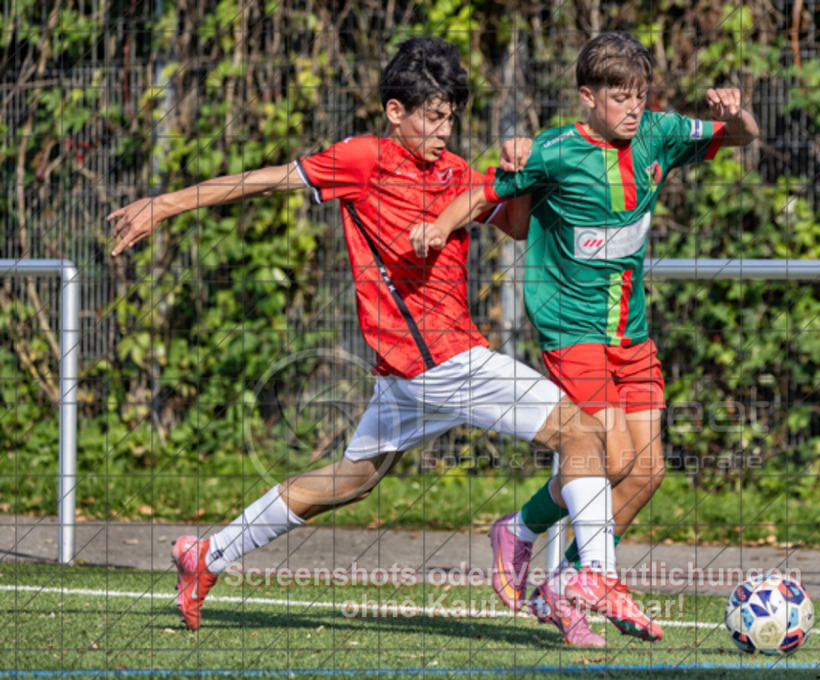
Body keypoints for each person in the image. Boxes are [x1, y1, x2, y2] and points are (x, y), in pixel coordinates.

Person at [107, 36, 657, 644]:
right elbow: (263, 181)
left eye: (450, 116)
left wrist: (517, 170)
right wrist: (164, 204)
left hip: (409, 371)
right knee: (584, 431)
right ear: (396, 112)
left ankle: (204, 556)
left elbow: (519, 224)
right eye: (431, 115)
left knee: (350, 480)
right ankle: (592, 575)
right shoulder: (362, 158)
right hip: (442, 360)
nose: (442, 129)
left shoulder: (453, 172)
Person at [411, 31, 759, 645]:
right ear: (587, 97)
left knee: (647, 470)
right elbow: (482, 193)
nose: (633, 106)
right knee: (609, 457)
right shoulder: (553, 152)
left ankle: (544, 560)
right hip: (570, 328)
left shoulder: (660, 134)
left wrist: (738, 115)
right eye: (621, 95)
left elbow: (740, 138)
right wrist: (436, 228)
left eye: (640, 94)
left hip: (632, 327)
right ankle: (579, 571)